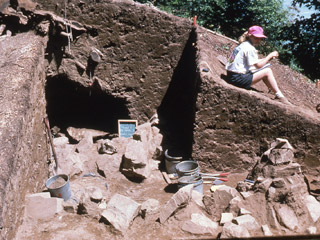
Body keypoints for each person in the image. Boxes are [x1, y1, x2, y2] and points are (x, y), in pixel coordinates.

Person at [225, 25, 290, 104]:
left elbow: (253, 62)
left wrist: (266, 59)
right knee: (267, 71)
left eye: (260, 38)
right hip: (237, 79)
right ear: (250, 36)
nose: (258, 40)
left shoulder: (243, 45)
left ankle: (275, 92)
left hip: (230, 75)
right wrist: (270, 56)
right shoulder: (250, 48)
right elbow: (258, 65)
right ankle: (280, 96)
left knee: (264, 68)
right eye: (256, 37)